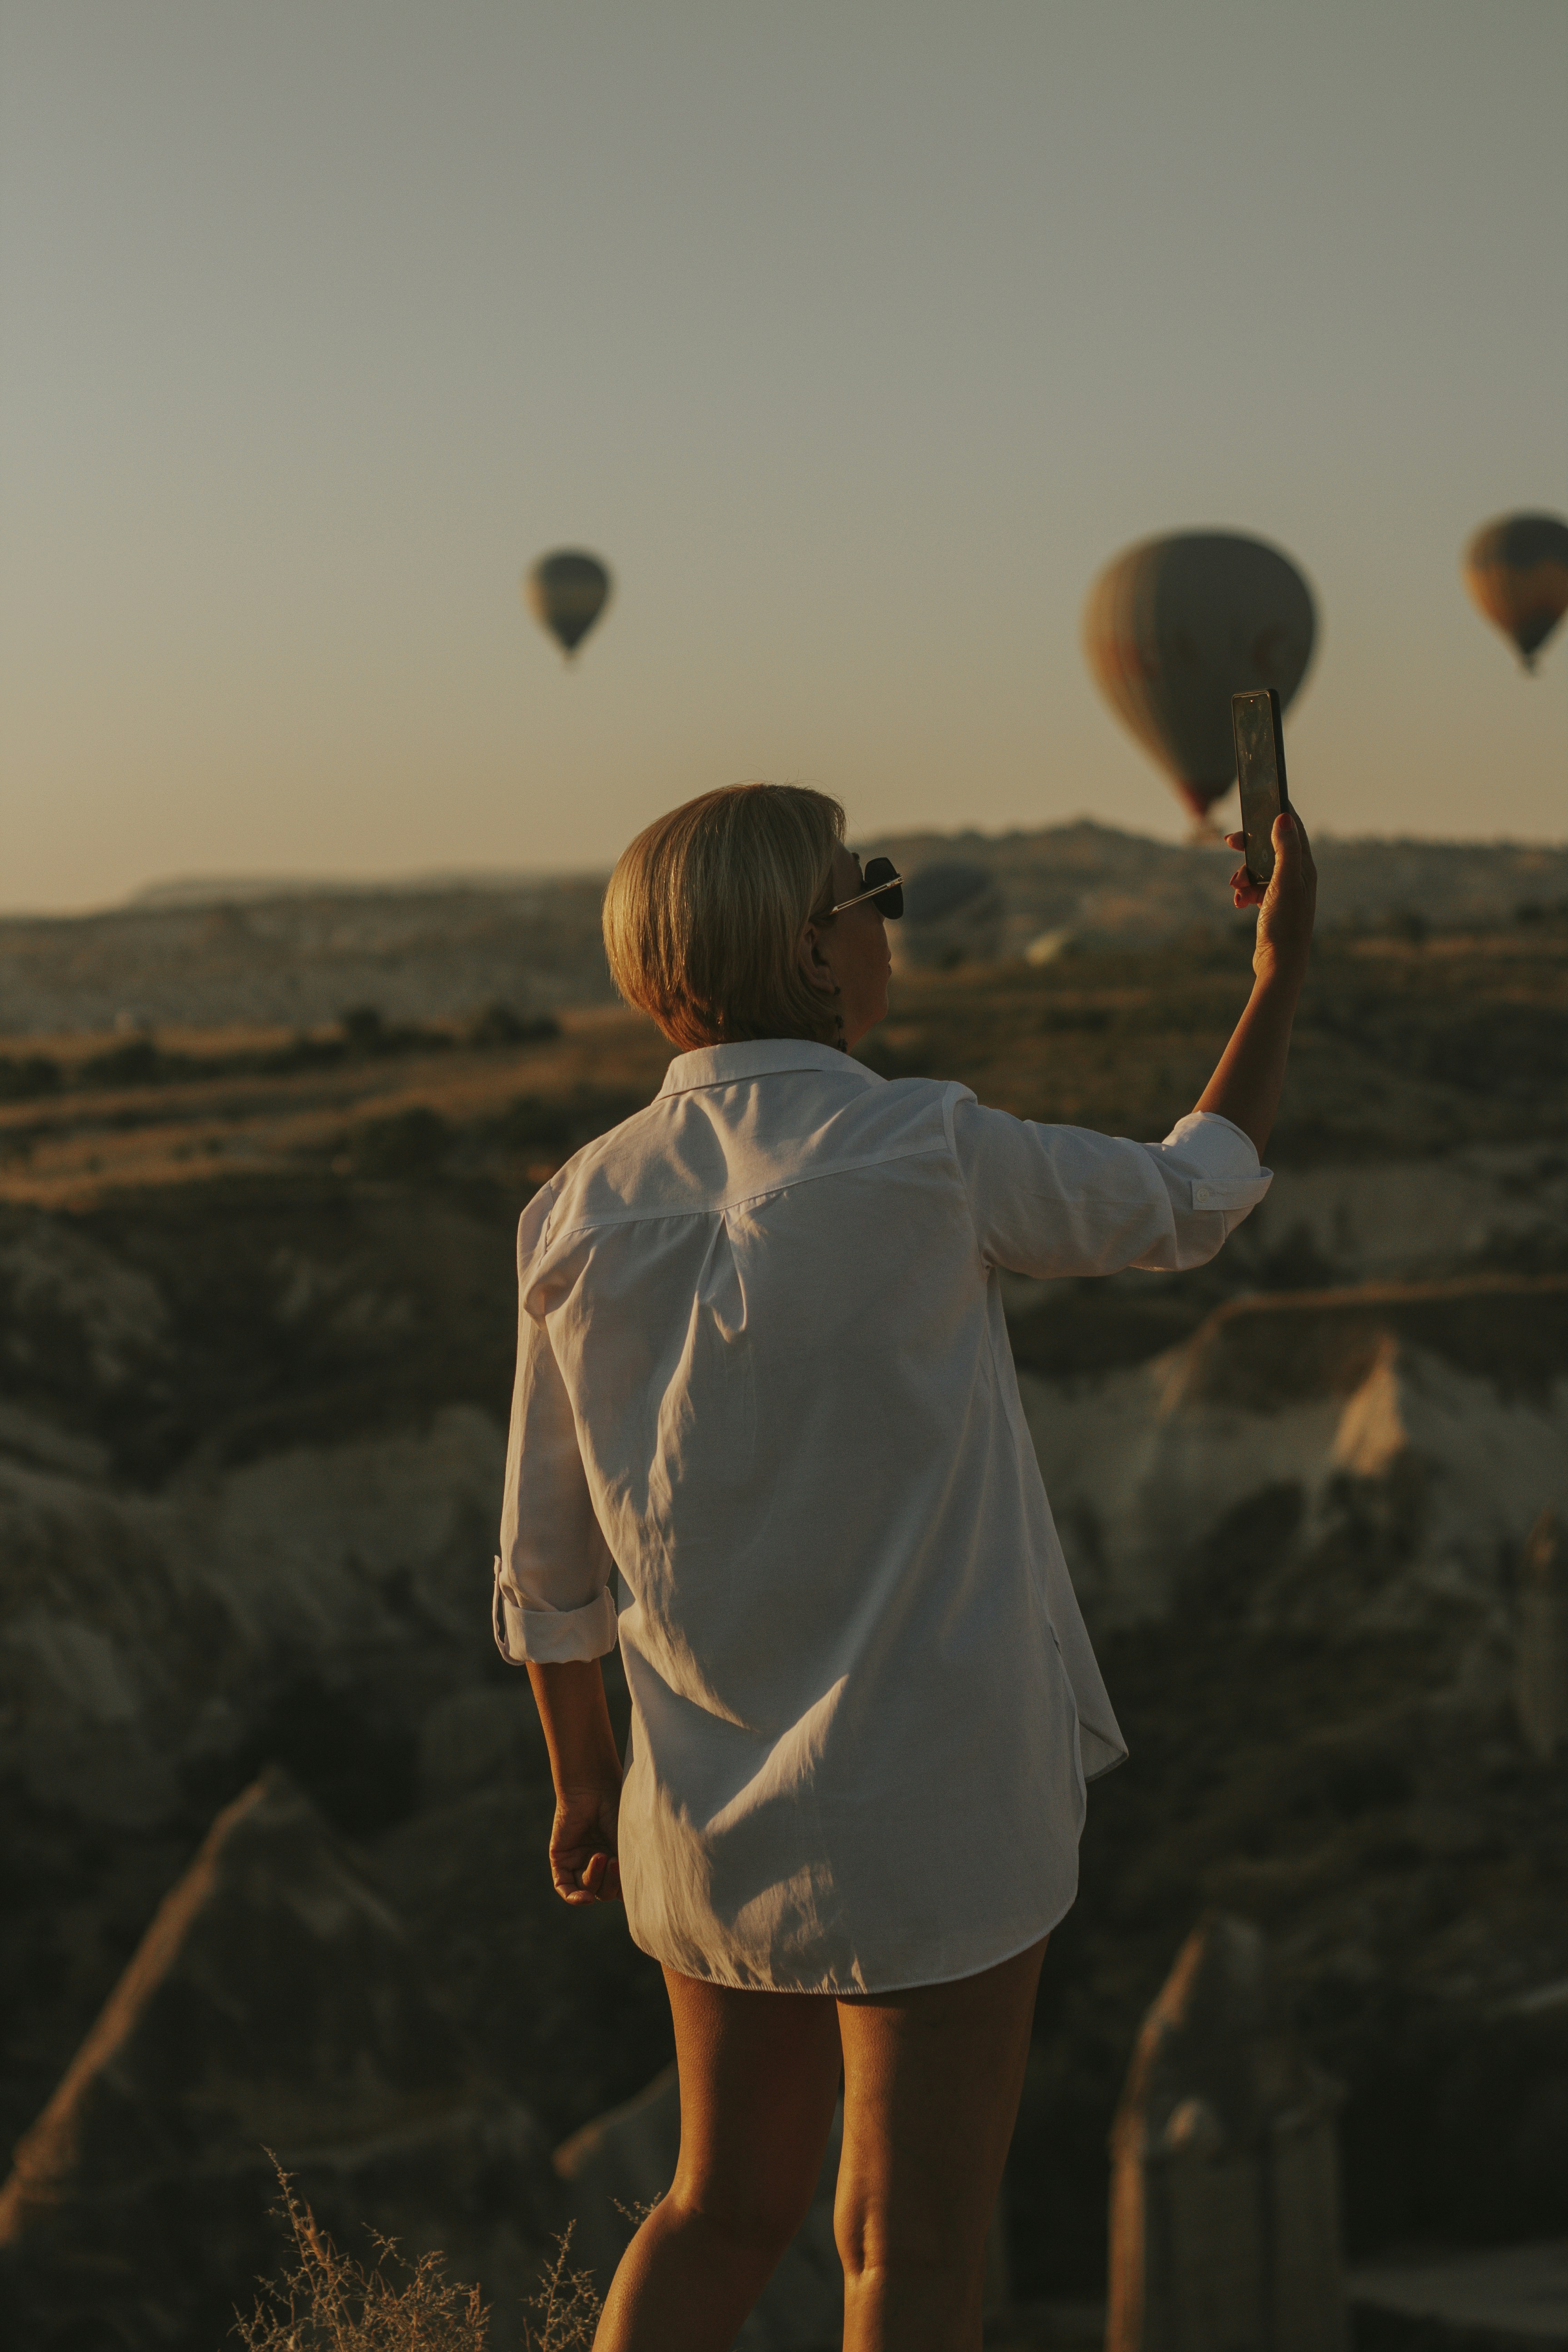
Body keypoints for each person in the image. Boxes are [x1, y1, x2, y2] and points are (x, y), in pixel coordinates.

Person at [492, 783, 1316, 2352]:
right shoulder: (925, 1146)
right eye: (873, 889)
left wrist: (583, 1777)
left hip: (706, 1804)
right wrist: (1275, 977)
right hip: (937, 1794)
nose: (888, 916)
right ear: (815, 951)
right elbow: (1191, 1198)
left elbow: (547, 1562)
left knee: (714, 2210)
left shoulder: (575, 1212)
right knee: (912, 2245)